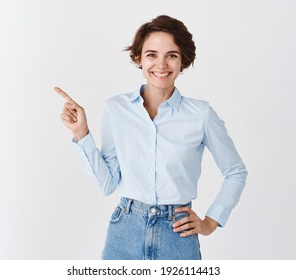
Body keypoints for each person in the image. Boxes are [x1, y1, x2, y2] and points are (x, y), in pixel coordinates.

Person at [55, 15, 247, 260]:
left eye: (172, 55)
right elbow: (107, 184)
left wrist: (211, 221)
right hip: (125, 231)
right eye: (152, 54)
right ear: (138, 58)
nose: (161, 64)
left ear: (183, 60)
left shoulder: (201, 114)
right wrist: (81, 134)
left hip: (177, 234)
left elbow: (235, 172)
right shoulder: (116, 109)